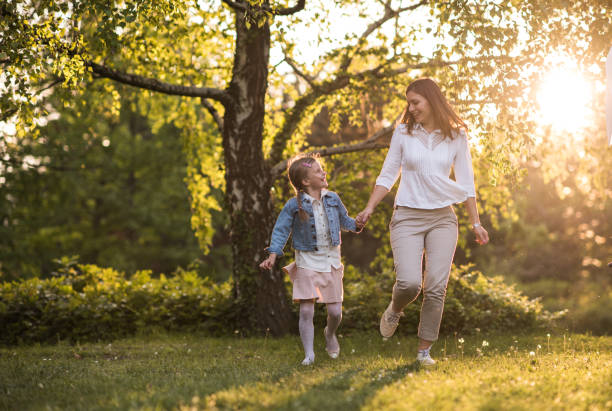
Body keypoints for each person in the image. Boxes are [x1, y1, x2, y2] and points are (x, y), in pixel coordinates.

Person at [356, 78, 489, 366]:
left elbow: (466, 182)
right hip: (407, 215)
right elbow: (389, 173)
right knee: (409, 283)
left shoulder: (456, 136)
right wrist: (369, 207)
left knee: (436, 287)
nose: (411, 107)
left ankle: (423, 352)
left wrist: (475, 222)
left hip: (443, 218)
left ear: (431, 100)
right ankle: (395, 307)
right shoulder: (403, 132)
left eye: (416, 102)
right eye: (409, 103)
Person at [260, 154, 363, 365]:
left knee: (335, 312)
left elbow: (346, 221)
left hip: (331, 261)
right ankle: (309, 354)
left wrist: (358, 224)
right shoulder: (294, 205)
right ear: (306, 181)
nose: (323, 173)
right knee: (306, 310)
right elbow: (281, 230)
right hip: (307, 262)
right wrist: (272, 254)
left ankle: (329, 334)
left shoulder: (333, 199)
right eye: (318, 171)